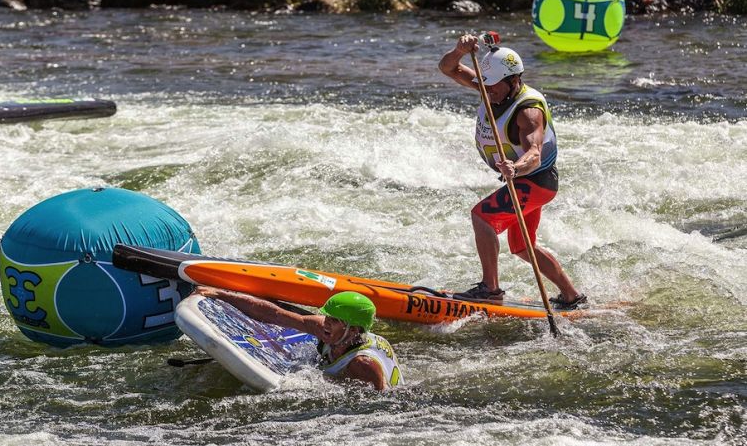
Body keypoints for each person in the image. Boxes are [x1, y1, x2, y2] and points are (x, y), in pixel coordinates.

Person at [438, 34, 587, 309]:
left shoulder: (528, 111)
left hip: (535, 181)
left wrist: (515, 168)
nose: (488, 90)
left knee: (481, 217)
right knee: (521, 246)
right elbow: (448, 68)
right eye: (485, 83)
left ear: (514, 80)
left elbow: (534, 154)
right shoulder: (489, 86)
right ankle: (571, 295)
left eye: (494, 85)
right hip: (525, 182)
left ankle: (490, 290)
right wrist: (459, 50)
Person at [195, 286, 404, 390]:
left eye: (335, 320)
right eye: (327, 317)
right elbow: (275, 315)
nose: (326, 322)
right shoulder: (325, 330)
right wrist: (222, 295)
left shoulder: (362, 365)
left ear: (353, 330)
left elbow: (378, 405)